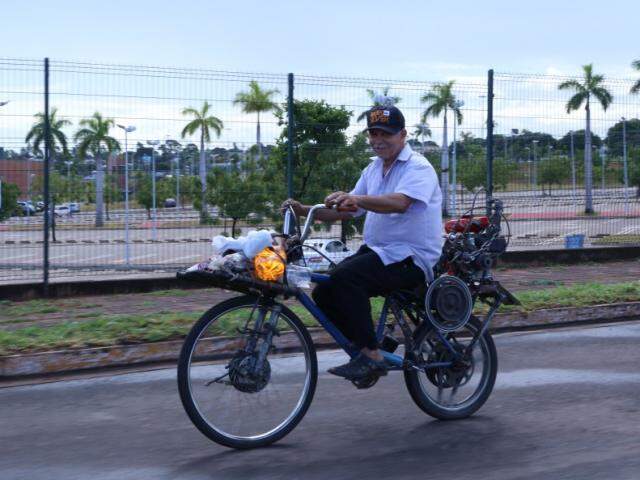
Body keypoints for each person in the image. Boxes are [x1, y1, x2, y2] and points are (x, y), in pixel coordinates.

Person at [282, 105, 442, 381]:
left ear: (403, 135)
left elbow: (401, 202)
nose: (378, 140)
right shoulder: (373, 169)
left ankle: (371, 357)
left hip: (412, 257)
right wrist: (303, 209)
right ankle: (365, 349)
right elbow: (345, 210)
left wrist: (357, 199)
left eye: (386, 134)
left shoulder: (418, 167)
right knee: (324, 291)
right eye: (373, 133)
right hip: (381, 253)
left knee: (346, 278)